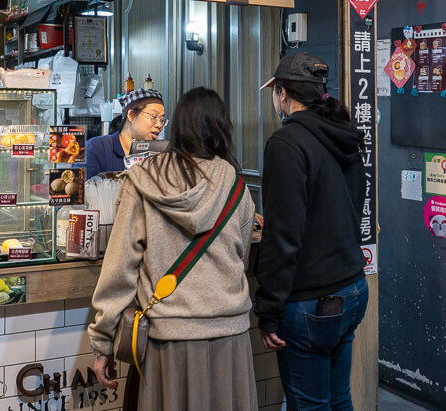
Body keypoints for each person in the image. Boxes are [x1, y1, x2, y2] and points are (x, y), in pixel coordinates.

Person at [88, 87, 257, 410]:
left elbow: (121, 267)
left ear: (177, 125)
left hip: (168, 341)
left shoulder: (143, 179)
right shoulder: (236, 185)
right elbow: (241, 257)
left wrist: (103, 341)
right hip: (230, 338)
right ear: (223, 127)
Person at [255, 52, 368, 411]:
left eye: (275, 93)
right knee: (338, 399)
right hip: (352, 287)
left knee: (310, 406)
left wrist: (268, 310)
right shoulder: (344, 133)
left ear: (284, 94)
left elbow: (283, 236)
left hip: (311, 302)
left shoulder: (286, 143)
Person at [86, 89, 166, 177]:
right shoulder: (96, 148)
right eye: (154, 116)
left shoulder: (156, 156)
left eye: (162, 120)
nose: (159, 125)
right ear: (131, 115)